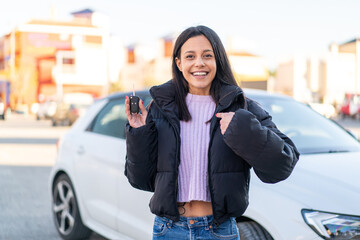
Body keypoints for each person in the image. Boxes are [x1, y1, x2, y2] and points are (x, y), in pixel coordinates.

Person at [124, 25, 299, 240]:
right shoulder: (159, 108)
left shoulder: (241, 107)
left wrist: (243, 130)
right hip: (168, 229)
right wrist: (139, 131)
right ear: (179, 63)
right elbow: (139, 179)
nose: (199, 63)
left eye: (208, 55)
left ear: (218, 60)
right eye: (190, 56)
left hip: (218, 231)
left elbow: (283, 165)